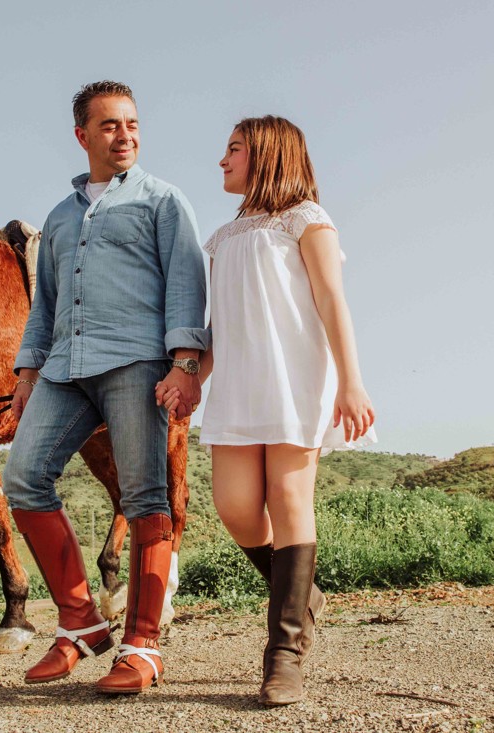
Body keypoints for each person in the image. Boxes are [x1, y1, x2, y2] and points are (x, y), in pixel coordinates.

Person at [158, 115, 376, 706]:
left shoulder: (307, 218)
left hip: (294, 379)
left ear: (268, 154)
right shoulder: (224, 237)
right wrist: (190, 376)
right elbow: (221, 323)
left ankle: (284, 654)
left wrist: (351, 382)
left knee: (287, 497)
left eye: (233, 149)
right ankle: (303, 596)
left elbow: (332, 300)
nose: (222, 160)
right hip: (237, 383)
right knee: (235, 509)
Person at [2, 81, 208, 695]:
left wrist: (185, 363)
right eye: (111, 125)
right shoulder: (61, 216)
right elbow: (45, 304)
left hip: (135, 362)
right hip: (64, 369)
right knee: (23, 477)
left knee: (145, 496)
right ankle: (80, 622)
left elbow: (186, 283)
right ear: (82, 135)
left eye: (132, 124)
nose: (125, 135)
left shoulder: (163, 200)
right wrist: (27, 373)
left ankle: (142, 646)